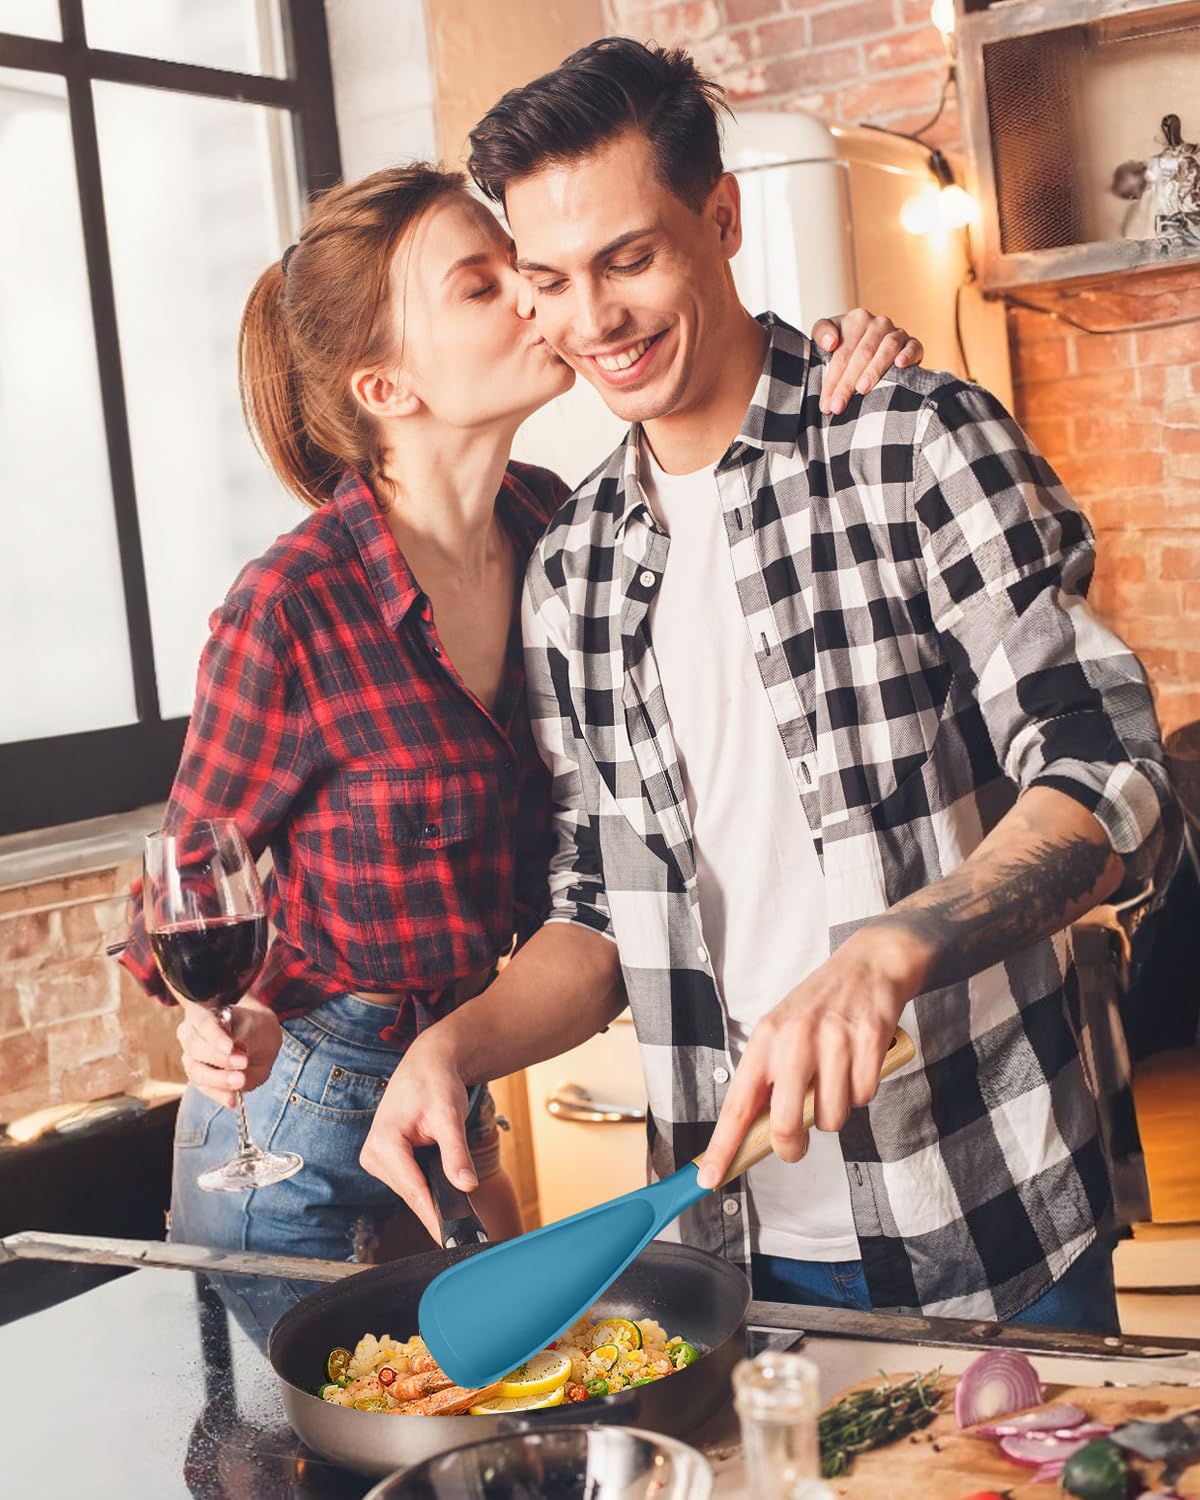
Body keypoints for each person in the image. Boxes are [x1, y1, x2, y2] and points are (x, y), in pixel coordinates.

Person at [361, 39, 1181, 1334]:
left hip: (991, 1211)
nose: (595, 319)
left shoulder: (912, 442)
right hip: (727, 1251)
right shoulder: (576, 565)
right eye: (551, 281)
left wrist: (892, 951)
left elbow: (1110, 771)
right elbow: (596, 909)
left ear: (723, 219)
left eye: (630, 258)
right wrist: (452, 1046)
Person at [119, 159, 923, 1282]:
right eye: (481, 286)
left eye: (519, 267)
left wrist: (837, 352)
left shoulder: (560, 531)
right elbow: (172, 896)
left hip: (456, 1073)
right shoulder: (294, 607)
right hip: (296, 1120)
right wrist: (227, 1015)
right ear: (387, 388)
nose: (538, 296)